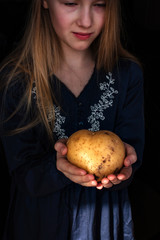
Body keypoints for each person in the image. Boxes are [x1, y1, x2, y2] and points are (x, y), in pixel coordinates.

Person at [0, 0, 144, 239]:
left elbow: (132, 151)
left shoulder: (128, 74)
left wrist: (125, 167)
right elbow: (21, 170)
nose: (86, 21)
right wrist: (56, 167)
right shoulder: (16, 80)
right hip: (40, 224)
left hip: (102, 224)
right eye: (70, 3)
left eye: (99, 4)